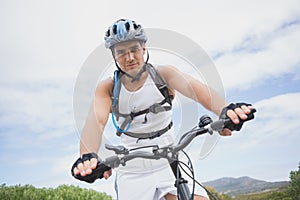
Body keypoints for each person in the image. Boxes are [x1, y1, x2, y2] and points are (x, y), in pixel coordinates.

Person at [71, 19, 254, 200]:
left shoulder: (163, 75)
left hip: (170, 160)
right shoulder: (108, 88)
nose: (130, 58)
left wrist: (226, 110)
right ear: (114, 56)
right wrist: (87, 157)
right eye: (121, 52)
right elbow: (96, 122)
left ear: (144, 48)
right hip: (132, 171)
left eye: (134, 49)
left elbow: (200, 92)